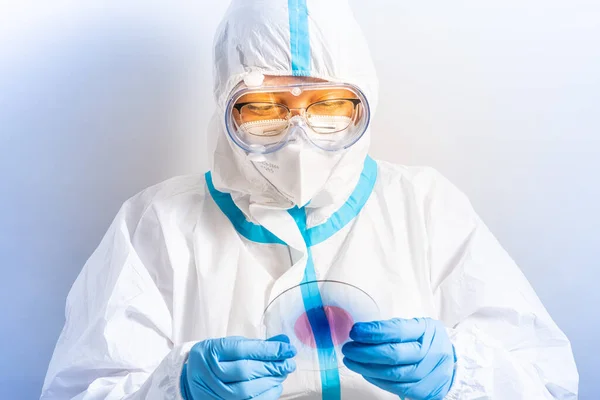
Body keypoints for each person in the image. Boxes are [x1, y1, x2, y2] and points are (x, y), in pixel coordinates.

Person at [41, 0, 578, 399]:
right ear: (226, 103)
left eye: (327, 104)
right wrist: (177, 386)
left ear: (362, 102)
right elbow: (79, 389)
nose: (297, 135)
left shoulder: (425, 207)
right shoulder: (156, 224)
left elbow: (548, 380)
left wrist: (462, 373)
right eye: (264, 106)